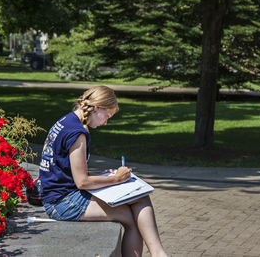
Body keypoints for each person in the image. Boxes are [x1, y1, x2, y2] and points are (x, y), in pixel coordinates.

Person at [39, 85, 167, 257]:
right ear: (97, 108)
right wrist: (117, 179)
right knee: (133, 220)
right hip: (62, 203)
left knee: (140, 197)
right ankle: (159, 254)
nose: (106, 122)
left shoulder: (67, 121)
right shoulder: (78, 133)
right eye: (107, 116)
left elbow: (68, 172)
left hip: (58, 195)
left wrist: (104, 178)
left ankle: (159, 253)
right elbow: (82, 182)